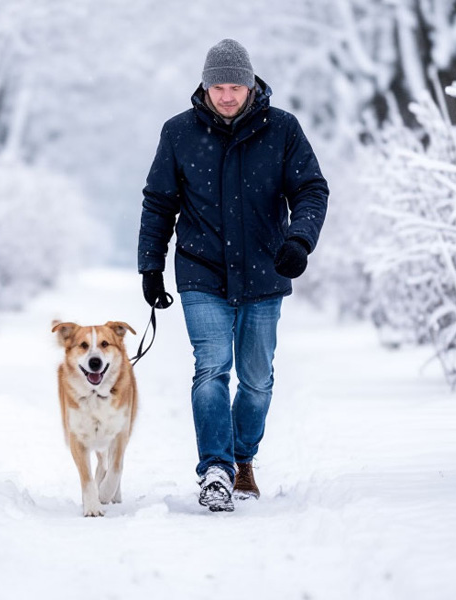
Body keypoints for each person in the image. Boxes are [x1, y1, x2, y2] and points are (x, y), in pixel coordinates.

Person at [137, 39, 328, 512]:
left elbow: (310, 189)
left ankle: (243, 457)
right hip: (201, 271)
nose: (226, 96)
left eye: (235, 86)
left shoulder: (281, 129)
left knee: (257, 378)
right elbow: (159, 203)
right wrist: (151, 266)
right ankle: (216, 470)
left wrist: (299, 241)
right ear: (204, 86)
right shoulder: (179, 133)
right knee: (212, 367)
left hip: (267, 269)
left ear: (251, 84)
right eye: (218, 86)